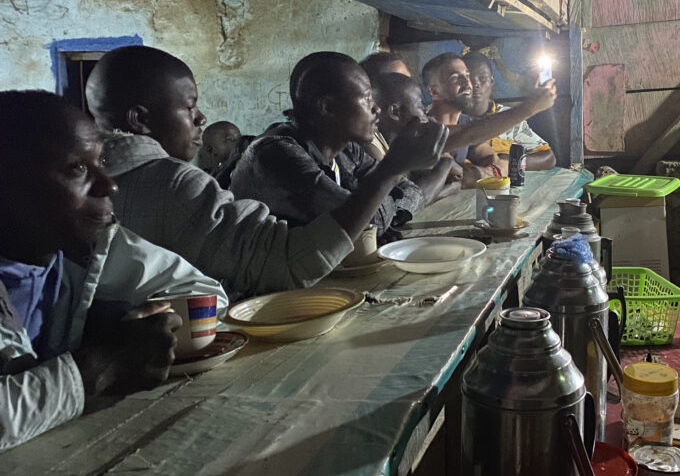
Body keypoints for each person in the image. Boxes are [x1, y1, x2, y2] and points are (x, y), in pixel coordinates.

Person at [86, 46, 442, 299]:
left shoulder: (90, 182)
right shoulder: (178, 181)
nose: (200, 118)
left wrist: (393, 184)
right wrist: (393, 171)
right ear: (140, 120)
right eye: (190, 106)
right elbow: (293, 259)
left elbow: (380, 211)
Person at [0, 91, 227, 452]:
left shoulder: (86, 247)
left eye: (101, 161)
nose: (109, 184)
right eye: (76, 169)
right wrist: (100, 365)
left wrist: (121, 317)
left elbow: (207, 295)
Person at [230, 52, 450, 234]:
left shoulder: (347, 150)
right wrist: (393, 168)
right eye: (366, 98)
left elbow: (408, 191)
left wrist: (376, 205)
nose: (376, 109)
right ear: (327, 108)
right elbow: (368, 223)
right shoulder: (278, 155)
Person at [421, 53, 558, 181]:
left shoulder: (464, 121)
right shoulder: (425, 128)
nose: (469, 83)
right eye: (456, 78)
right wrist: (530, 107)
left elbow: (492, 160)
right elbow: (458, 173)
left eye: (466, 75)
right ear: (434, 91)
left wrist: (490, 169)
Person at [371, 72, 461, 198]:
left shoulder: (400, 143)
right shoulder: (373, 147)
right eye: (419, 104)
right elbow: (409, 200)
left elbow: (457, 174)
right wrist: (446, 166)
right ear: (395, 112)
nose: (425, 110)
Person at [463, 51, 556, 171]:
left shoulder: (510, 118)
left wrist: (508, 162)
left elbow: (548, 158)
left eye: (482, 78)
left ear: (491, 81)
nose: (475, 84)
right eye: (469, 79)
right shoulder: (447, 117)